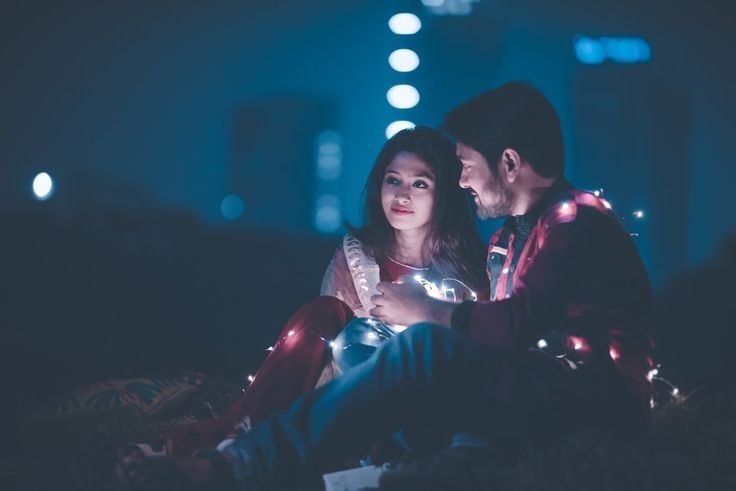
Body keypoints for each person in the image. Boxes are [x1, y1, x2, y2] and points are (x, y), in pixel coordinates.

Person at [117, 81, 654, 491]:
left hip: (583, 401)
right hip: (526, 393)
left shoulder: (572, 220)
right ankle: (294, 458)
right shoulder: (511, 240)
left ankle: (237, 464)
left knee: (419, 348)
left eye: (464, 166)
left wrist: (431, 312)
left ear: (509, 163)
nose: (462, 180)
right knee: (363, 341)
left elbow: (514, 326)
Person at [149, 126, 486, 458]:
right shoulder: (359, 256)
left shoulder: (467, 272)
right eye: (393, 179)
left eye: (420, 183)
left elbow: (480, 347)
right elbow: (335, 347)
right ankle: (243, 430)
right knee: (326, 316)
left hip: (428, 397)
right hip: (346, 389)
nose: (401, 194)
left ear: (445, 194)